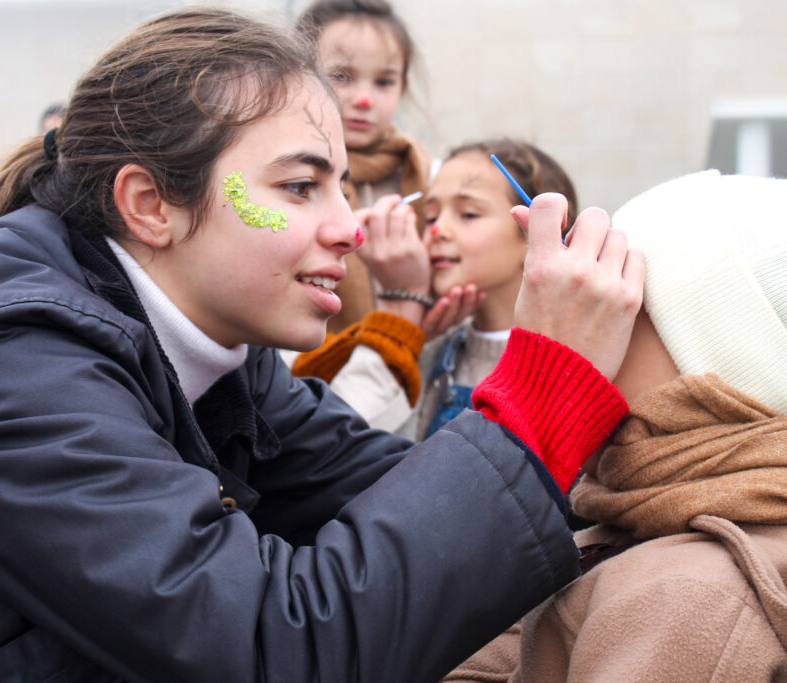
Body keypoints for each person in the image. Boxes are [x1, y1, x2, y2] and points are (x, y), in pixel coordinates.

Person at [0, 9, 643, 681]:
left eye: (339, 183)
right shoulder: (4, 353)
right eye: (299, 186)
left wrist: (652, 489)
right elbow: (274, 644)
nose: (348, 227)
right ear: (150, 205)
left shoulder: (221, 353)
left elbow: (392, 493)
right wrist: (545, 386)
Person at [445, 170, 787, 681]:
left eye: (622, 302)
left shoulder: (690, 598)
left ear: (713, 355)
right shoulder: (627, 531)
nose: (587, 319)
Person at [294, 140, 577, 443]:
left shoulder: (573, 362)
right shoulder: (432, 351)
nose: (436, 230)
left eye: (468, 214)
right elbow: (346, 450)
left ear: (537, 233)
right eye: (430, 217)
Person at [296, 0, 432, 333]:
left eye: (384, 82)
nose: (364, 99)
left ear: (403, 85)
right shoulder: (285, 175)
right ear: (300, 74)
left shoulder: (429, 177)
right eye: (342, 76)